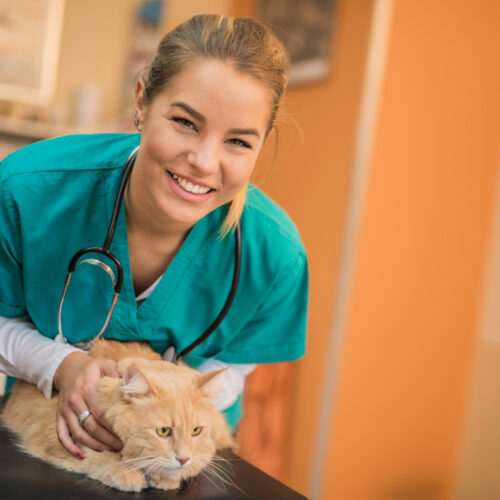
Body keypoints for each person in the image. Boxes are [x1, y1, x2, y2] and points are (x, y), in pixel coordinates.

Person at [0, 14, 308, 460]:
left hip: (183, 461)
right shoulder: (26, 191)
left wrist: (170, 403)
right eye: (186, 122)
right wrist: (60, 365)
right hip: (45, 445)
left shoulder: (274, 255)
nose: (203, 161)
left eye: (238, 142)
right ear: (142, 101)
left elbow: (236, 367)